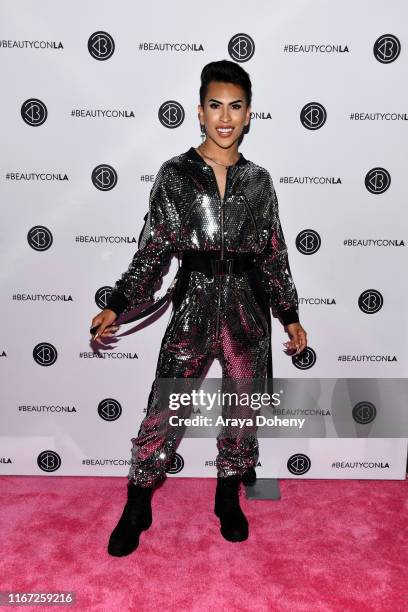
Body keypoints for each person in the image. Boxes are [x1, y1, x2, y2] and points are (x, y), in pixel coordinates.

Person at [90, 59, 307, 555]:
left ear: (249, 114)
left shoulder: (260, 181)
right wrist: (118, 304)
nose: (225, 117)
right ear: (200, 112)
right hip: (193, 305)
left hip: (248, 310)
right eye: (215, 106)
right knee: (165, 407)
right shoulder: (177, 175)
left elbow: (274, 252)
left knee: (242, 408)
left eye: (235, 107)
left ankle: (227, 497)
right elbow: (153, 251)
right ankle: (138, 502)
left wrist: (289, 314)